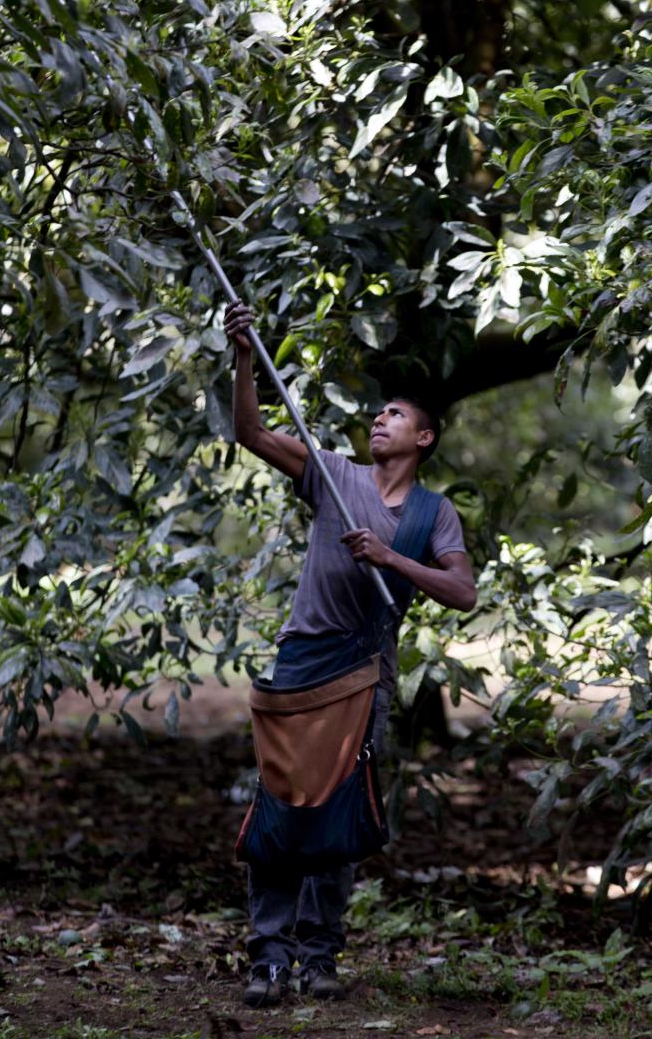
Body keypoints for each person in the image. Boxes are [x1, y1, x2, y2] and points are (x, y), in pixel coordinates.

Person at [224, 300, 476, 1008]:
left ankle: (318, 954)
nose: (379, 420)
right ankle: (267, 957)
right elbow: (249, 431)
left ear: (424, 437)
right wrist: (244, 355)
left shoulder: (434, 514)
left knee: (337, 813)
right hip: (303, 663)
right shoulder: (334, 475)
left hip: (366, 675)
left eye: (395, 415)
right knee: (282, 804)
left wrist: (392, 558)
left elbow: (462, 593)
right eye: (378, 414)